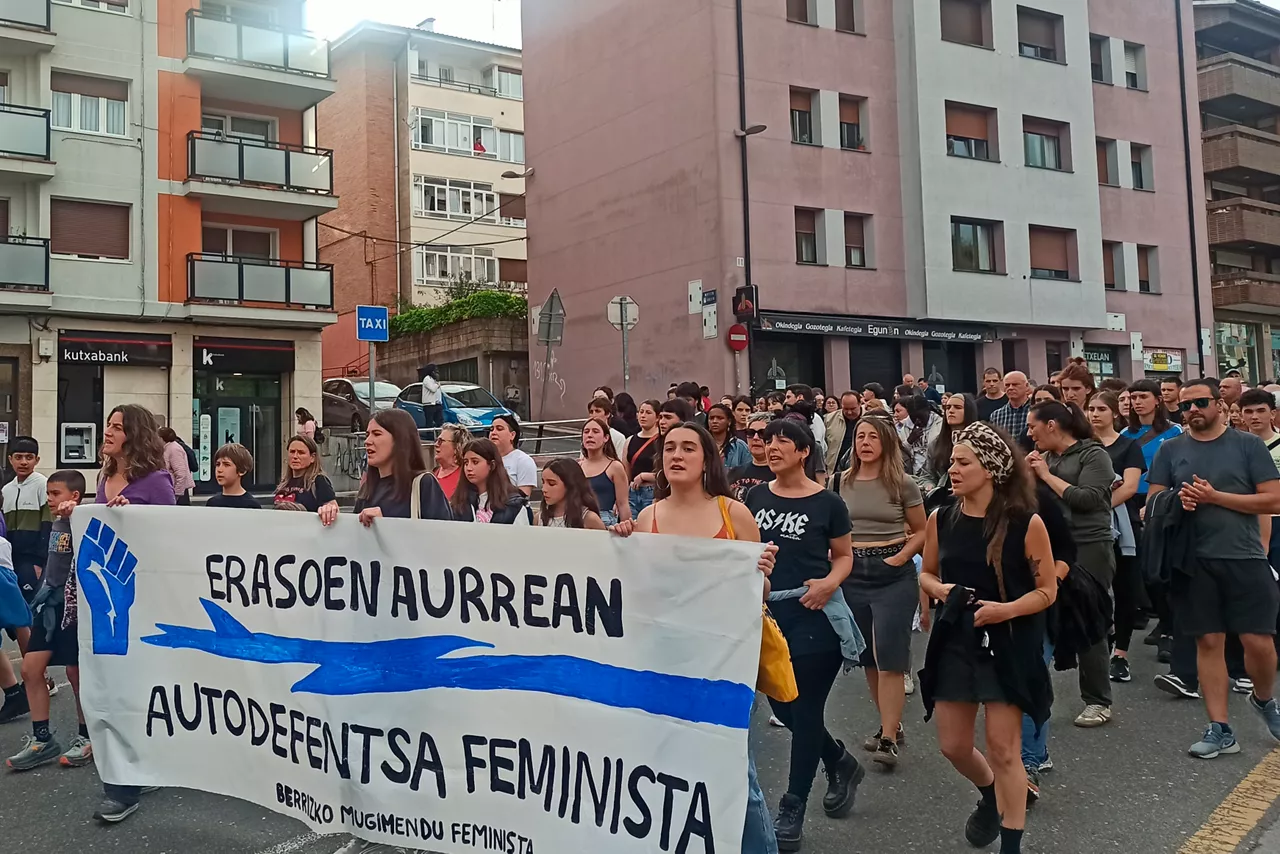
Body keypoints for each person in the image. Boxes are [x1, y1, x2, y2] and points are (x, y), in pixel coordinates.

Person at [620, 420, 779, 854]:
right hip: (662, 660)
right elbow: (636, 590)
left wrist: (763, 574)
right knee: (666, 764)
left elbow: (759, 593)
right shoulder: (648, 517)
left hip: (723, 661)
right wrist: (618, 545)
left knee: (733, 770)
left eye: (689, 448)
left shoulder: (734, 513)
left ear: (707, 459)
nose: (677, 455)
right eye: (670, 447)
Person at [919, 422, 1056, 854]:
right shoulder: (942, 517)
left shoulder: (1026, 523)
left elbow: (1047, 590)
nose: (953, 470)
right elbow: (927, 572)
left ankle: (1011, 845)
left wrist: (1005, 609)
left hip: (1009, 643)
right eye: (952, 462)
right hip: (957, 639)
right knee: (954, 746)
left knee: (1003, 748)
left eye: (964, 463)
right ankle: (989, 793)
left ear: (992, 469)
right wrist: (939, 590)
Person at [746, 418, 863, 849]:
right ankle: (838, 759)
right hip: (768, 614)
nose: (771, 447)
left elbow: (844, 556)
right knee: (786, 707)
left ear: (803, 452)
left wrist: (830, 583)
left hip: (815, 614)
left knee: (805, 706)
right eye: (767, 440)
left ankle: (793, 805)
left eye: (783, 441)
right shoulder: (755, 496)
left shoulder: (828, 502)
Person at [1147, 378, 1280, 758]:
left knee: (1260, 643)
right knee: (1209, 641)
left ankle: (1264, 699)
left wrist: (1213, 497)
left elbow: (1274, 498)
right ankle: (1220, 727)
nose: (1191, 411)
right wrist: (1179, 501)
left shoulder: (1248, 445)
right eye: (1185, 406)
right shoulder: (1170, 449)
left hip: (1245, 555)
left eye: (1200, 403)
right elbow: (1153, 503)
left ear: (1219, 404)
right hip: (1192, 560)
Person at [88, 404, 177, 824]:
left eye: (117, 426)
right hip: (101, 598)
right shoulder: (103, 477)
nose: (108, 431)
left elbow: (168, 540)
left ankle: (123, 788)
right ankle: (130, 772)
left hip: (140, 601)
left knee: (132, 688)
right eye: (108, 424)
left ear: (135, 435)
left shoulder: (156, 482)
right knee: (110, 685)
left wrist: (136, 518)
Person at [835, 416, 927, 769]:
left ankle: (888, 739)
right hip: (853, 571)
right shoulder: (839, 482)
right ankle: (891, 724)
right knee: (867, 657)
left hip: (893, 573)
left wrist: (901, 556)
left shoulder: (903, 484)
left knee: (890, 654)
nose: (866, 442)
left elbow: (921, 531)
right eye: (860, 436)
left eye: (873, 436)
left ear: (886, 443)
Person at [1026, 401, 1117, 727]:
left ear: (1052, 425)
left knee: (1088, 617)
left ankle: (1098, 700)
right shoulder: (1045, 459)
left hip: (1089, 545)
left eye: (1033, 426)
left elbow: (1087, 499)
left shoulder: (1094, 455)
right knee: (1043, 614)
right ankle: (1034, 697)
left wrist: (1046, 476)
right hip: (1053, 545)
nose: (1029, 433)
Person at [6, 471, 91, 771]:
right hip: (48, 606)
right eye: (49, 493)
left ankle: (86, 735)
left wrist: (77, 514)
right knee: (30, 669)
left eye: (55, 494)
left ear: (75, 496)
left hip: (73, 608)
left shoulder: (84, 520)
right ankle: (42, 739)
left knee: (76, 673)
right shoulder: (56, 522)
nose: (50, 499)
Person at [1086, 392, 1146, 683]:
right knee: (1093, 587)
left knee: (1124, 588)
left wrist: (1094, 506)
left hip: (1124, 525)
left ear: (1114, 414)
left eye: (1101, 409)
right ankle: (1100, 642)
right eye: (1091, 409)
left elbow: (1130, 486)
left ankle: (1120, 653)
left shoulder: (1128, 446)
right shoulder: (1082, 446)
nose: (1095, 414)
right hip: (1089, 528)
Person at [1123, 379, 1184, 660]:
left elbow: (1177, 471)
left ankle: (1171, 626)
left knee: (1160, 569)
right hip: (1128, 501)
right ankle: (1161, 617)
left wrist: (1157, 502)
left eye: (1143, 397)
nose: (1137, 402)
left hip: (1161, 501)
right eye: (1133, 397)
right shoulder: (1126, 433)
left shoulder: (1174, 432)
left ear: (1157, 400)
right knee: (1141, 571)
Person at [351, 409, 452, 526]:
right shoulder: (367, 488)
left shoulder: (423, 484)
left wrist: (386, 525)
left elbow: (442, 536)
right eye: (367, 435)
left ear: (399, 439)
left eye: (377, 434)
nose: (367, 441)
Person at [2, 437, 50, 605]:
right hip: (10, 558)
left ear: (36, 460)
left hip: (31, 560)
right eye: (18, 457)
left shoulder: (43, 485)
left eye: (29, 457)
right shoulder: (6, 489)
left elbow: (48, 525)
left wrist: (39, 562)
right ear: (10, 459)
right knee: (13, 605)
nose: (23, 462)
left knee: (30, 604)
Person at [451, 438, 533, 525]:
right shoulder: (459, 504)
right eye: (466, 463)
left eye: (475, 462)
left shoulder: (514, 506)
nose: (469, 468)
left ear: (492, 465)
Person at [919, 393, 979, 505]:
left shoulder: (979, 441)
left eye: (957, 407)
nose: (951, 411)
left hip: (971, 499)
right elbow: (928, 474)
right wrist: (929, 486)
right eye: (948, 407)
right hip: (942, 501)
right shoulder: (936, 444)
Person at [579, 417, 632, 529]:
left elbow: (623, 504)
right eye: (586, 432)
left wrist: (626, 530)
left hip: (605, 522)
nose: (590, 435)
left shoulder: (615, 467)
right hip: (579, 520)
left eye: (595, 431)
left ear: (606, 437)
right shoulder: (578, 466)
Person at [273, 435, 339, 515]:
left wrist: (328, 509)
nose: (295, 456)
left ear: (312, 457)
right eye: (292, 452)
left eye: (301, 453)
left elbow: (334, 510)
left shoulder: (319, 481)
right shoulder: (284, 483)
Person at [539, 458, 606, 529]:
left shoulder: (589, 518)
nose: (544, 489)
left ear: (569, 485)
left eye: (551, 483)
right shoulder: (539, 518)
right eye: (543, 482)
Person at [626, 399, 662, 517]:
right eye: (641, 412)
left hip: (653, 492)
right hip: (632, 492)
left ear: (657, 417)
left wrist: (644, 476)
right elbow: (625, 472)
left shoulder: (662, 440)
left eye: (648, 413)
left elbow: (665, 473)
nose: (643, 416)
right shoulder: (630, 440)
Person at [731, 412, 777, 502]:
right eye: (750, 433)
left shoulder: (782, 475)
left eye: (762, 433)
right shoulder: (734, 472)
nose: (755, 438)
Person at [489, 414, 537, 497]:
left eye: (499, 429)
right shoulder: (485, 459)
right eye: (491, 429)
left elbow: (523, 496)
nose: (493, 433)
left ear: (512, 435)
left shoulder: (524, 461)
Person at [206, 443, 262, 509]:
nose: (219, 470)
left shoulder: (251, 505)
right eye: (218, 464)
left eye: (226, 464)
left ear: (242, 471)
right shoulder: (212, 503)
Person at [901, 394, 943, 479]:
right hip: (911, 475)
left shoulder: (940, 424)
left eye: (921, 417)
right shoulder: (904, 427)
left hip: (934, 474)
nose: (917, 421)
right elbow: (897, 454)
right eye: (913, 418)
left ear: (928, 411)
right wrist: (909, 441)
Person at [988, 372, 1034, 450]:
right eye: (1007, 385)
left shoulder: (1035, 411)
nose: (1010, 388)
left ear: (1026, 386)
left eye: (1015, 384)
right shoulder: (996, 415)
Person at [824, 392, 862, 474]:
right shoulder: (829, 419)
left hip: (861, 470)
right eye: (845, 409)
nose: (849, 412)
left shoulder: (870, 419)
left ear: (860, 404)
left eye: (853, 409)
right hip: (834, 471)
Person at [430, 424, 470, 502]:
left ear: (457, 447)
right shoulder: (432, 475)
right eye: (436, 440)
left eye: (441, 441)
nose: (436, 445)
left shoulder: (466, 476)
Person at [158, 427, 195, 505]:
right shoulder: (167, 448)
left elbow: (181, 473)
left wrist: (177, 493)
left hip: (178, 492)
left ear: (162, 438)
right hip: (173, 489)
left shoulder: (174, 449)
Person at [785, 384, 827, 454]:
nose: (785, 401)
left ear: (800, 397)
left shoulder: (814, 418)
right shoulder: (791, 416)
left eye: (788, 397)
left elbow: (816, 446)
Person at [708, 403, 751, 468]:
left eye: (720, 418)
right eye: (711, 418)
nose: (714, 421)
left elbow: (747, 469)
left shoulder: (740, 446)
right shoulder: (702, 444)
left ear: (729, 421)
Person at [419, 364, 444, 430]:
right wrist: (437, 384)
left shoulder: (435, 380)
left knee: (440, 422)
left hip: (437, 404)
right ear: (431, 371)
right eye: (435, 371)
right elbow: (433, 389)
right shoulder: (427, 379)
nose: (436, 373)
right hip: (429, 404)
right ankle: (429, 436)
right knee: (429, 423)